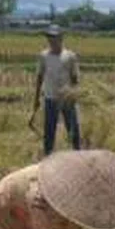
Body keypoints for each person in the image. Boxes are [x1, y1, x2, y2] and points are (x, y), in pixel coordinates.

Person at [31, 24, 81, 156]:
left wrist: (74, 95)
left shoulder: (70, 56)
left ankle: (78, 154)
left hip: (66, 98)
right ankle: (48, 155)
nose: (52, 41)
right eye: (49, 38)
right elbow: (40, 77)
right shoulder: (44, 56)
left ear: (61, 38)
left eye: (54, 37)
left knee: (73, 128)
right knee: (49, 130)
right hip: (50, 97)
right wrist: (36, 99)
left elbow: (75, 78)